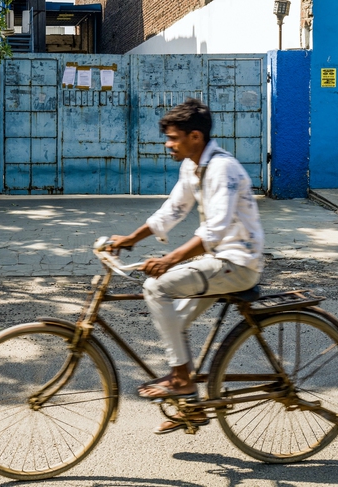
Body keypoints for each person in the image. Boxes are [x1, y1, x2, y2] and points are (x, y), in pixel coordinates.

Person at [108, 98, 264, 434]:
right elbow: (173, 210)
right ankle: (191, 406)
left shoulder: (223, 168)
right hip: (217, 260)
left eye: (174, 138)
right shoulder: (192, 167)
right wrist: (131, 238)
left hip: (237, 262)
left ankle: (181, 379)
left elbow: (216, 229)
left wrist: (170, 259)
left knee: (156, 286)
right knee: (174, 321)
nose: (168, 144)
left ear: (195, 136)